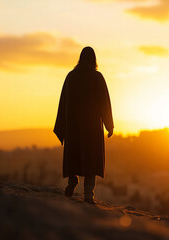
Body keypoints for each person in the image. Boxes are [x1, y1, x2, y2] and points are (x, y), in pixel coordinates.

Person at [54, 46, 114, 204]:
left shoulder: (71, 77)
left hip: (73, 127)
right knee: (90, 160)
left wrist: (61, 127)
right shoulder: (97, 77)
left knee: (74, 155)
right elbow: (104, 103)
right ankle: (89, 194)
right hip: (91, 128)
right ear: (94, 60)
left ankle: (72, 180)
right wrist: (109, 125)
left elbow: (63, 103)